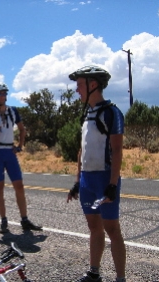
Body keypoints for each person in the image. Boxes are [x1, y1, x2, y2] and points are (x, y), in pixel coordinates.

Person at [66, 66, 126, 282]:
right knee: (94, 227)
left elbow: (118, 150)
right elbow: (82, 149)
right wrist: (76, 181)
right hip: (87, 180)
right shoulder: (88, 114)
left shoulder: (111, 112)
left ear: (93, 85)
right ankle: (94, 272)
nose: (77, 90)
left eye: (80, 85)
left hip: (104, 178)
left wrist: (111, 184)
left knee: (112, 228)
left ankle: (120, 278)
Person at [0, 82, 43, 234]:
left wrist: (20, 146)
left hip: (9, 151)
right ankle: (3, 220)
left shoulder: (13, 111)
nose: (3, 96)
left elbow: (22, 129)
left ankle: (25, 220)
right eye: (0, 94)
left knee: (19, 185)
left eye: (5, 94)